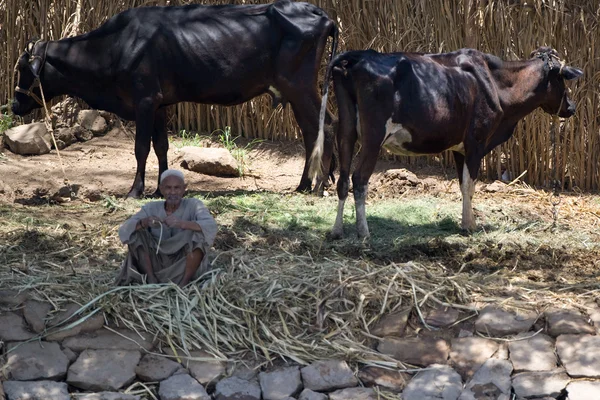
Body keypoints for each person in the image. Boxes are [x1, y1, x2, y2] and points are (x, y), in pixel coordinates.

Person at [116, 169, 218, 287]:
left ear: (184, 188)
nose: (173, 192)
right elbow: (124, 230)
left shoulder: (194, 205)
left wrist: (182, 224)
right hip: (157, 261)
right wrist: (145, 222)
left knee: (199, 235)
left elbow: (210, 225)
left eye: (177, 188)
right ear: (161, 189)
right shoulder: (151, 208)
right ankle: (151, 279)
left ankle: (183, 283)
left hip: (183, 261)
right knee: (136, 233)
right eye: (168, 188)